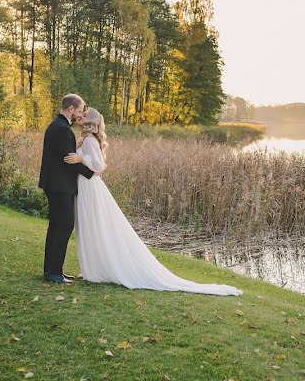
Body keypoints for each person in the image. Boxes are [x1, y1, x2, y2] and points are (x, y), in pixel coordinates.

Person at [65, 107, 242, 296]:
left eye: (84, 115)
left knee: (95, 226)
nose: (80, 117)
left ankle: (99, 269)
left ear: (90, 121)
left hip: (90, 187)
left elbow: (99, 166)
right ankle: (94, 268)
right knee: (90, 226)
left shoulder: (91, 140)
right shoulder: (85, 139)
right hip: (85, 185)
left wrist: (81, 157)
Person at [38, 94, 99, 283]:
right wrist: (91, 173)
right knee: (63, 226)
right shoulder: (63, 130)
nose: (80, 114)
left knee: (56, 226)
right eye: (79, 110)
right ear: (71, 109)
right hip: (60, 186)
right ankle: (54, 272)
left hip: (55, 184)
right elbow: (68, 161)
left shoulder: (55, 126)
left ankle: (52, 270)